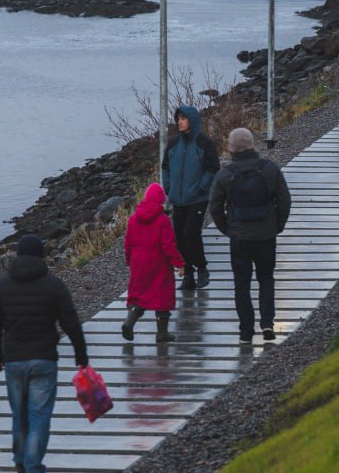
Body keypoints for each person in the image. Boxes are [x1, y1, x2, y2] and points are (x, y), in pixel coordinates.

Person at [0, 234, 88, 473]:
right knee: (39, 415)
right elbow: (70, 321)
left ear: (18, 255)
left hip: (14, 360)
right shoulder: (53, 285)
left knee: (19, 414)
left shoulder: (2, 286)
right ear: (41, 256)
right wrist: (80, 352)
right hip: (44, 359)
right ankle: (33, 465)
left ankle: (20, 461)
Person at [209, 127, 292, 344]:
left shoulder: (225, 174)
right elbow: (284, 200)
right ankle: (267, 323)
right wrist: (277, 225)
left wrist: (227, 229)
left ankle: (246, 331)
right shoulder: (269, 169)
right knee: (266, 279)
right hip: (266, 235)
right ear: (252, 144)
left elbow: (214, 207)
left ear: (231, 148)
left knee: (241, 284)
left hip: (240, 238)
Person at [161, 105, 220, 291]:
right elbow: (165, 167)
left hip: (197, 198)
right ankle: (188, 275)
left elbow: (213, 168)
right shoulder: (173, 143)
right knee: (179, 237)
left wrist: (201, 188)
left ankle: (202, 268)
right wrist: (168, 187)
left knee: (191, 233)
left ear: (192, 120)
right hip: (178, 198)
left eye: (183, 118)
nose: (179, 122)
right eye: (178, 118)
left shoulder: (204, 143)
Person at [122, 182, 186, 343]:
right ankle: (162, 333)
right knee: (162, 295)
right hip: (159, 262)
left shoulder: (133, 219)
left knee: (138, 294)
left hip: (138, 261)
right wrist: (179, 264)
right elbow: (169, 246)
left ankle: (129, 322)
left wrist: (129, 262)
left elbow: (128, 243)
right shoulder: (163, 220)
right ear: (161, 201)